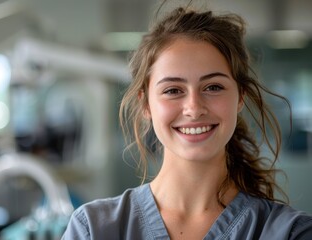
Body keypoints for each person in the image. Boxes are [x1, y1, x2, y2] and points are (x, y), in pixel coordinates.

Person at [62, 3, 312, 240]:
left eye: (213, 87)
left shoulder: (289, 233)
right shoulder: (94, 229)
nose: (194, 108)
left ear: (240, 98)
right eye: (173, 90)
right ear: (146, 104)